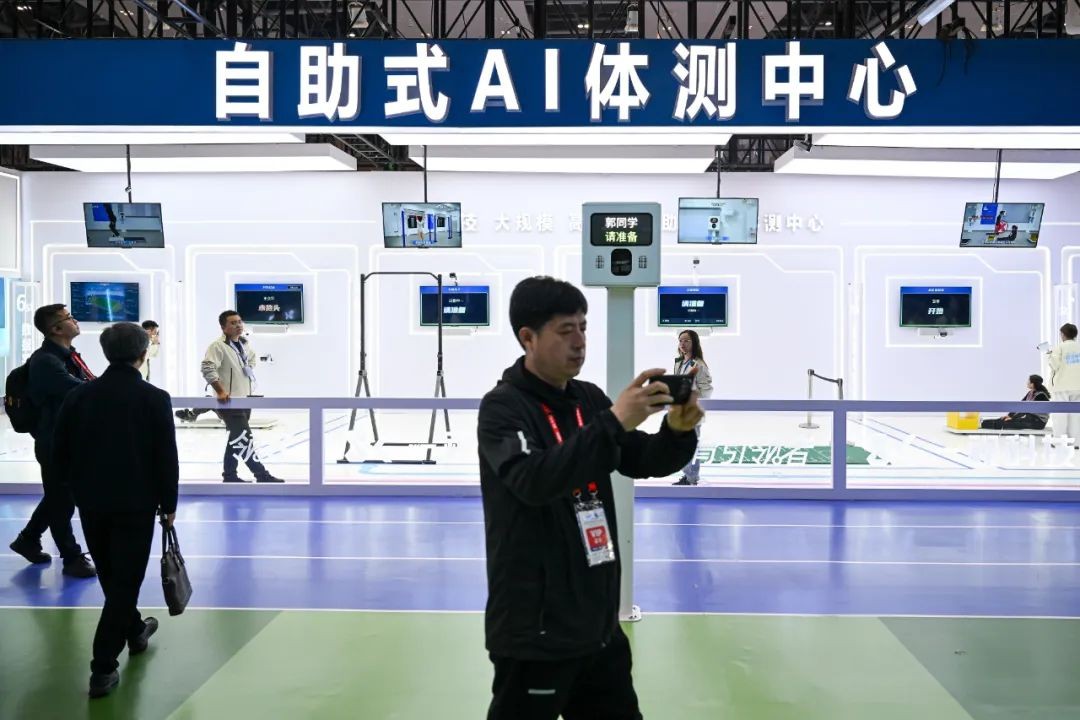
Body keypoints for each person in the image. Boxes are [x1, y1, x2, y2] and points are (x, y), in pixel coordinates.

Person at [477, 276, 703, 720]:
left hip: (598, 631)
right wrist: (614, 421)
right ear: (528, 338)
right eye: (566, 331)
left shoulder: (588, 399)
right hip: (535, 634)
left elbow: (643, 459)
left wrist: (677, 432)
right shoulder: (502, 408)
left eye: (583, 327)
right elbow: (534, 480)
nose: (580, 342)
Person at [52, 322, 179, 698]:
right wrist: (168, 504)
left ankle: (136, 630)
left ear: (107, 353)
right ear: (143, 353)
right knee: (124, 583)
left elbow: (60, 453)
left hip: (92, 502)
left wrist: (75, 489)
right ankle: (103, 666)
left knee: (112, 575)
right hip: (136, 504)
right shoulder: (154, 398)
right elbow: (165, 457)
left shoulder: (79, 396)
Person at [7, 304, 96, 578]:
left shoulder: (66, 356)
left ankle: (28, 538)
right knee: (62, 501)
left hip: (67, 439)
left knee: (60, 496)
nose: (75, 320)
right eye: (69, 318)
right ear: (56, 329)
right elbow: (80, 390)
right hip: (54, 442)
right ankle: (71, 557)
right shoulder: (46, 362)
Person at [201, 310, 282, 483]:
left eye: (239, 322)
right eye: (233, 323)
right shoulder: (217, 346)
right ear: (223, 327)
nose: (238, 325)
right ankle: (261, 475)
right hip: (229, 402)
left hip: (244, 399)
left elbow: (251, 360)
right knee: (244, 439)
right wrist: (220, 390)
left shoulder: (244, 344)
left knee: (235, 439)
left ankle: (229, 475)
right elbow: (207, 368)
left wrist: (247, 368)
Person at [672, 329, 714, 485]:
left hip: (692, 413)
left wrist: (696, 405)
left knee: (691, 446)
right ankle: (689, 476)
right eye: (680, 340)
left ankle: (691, 478)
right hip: (680, 412)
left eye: (686, 340)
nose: (682, 343)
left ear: (694, 343)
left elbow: (706, 389)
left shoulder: (699, 364)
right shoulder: (679, 363)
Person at [1048, 323, 1080, 447]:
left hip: (1062, 385)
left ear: (1063, 334)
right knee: (1076, 415)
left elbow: (1055, 365)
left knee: (1060, 414)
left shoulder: (1060, 347)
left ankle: (1059, 441)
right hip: (1078, 386)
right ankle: (1076, 442)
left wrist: (1049, 355)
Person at [980, 374, 1050, 430]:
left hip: (1038, 422)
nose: (1027, 382)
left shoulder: (1040, 395)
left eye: (1028, 381)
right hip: (1030, 418)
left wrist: (1013, 418)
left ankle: (981, 425)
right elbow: (1020, 405)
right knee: (1003, 419)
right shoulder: (1030, 393)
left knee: (1007, 423)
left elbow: (1025, 409)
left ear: (1033, 384)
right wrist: (1010, 415)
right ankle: (982, 423)